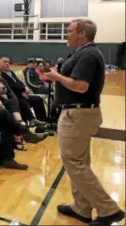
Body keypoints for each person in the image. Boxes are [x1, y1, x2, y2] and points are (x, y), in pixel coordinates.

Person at [44, 19, 125, 225]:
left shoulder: (88, 54)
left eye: (70, 31)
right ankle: (82, 208)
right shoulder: (85, 52)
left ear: (82, 33)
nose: (66, 34)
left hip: (77, 116)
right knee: (79, 162)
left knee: (75, 164)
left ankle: (109, 210)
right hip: (78, 115)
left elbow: (80, 86)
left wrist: (56, 77)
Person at [0, 57, 48, 123]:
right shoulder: (0, 75)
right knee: (22, 103)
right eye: (5, 62)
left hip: (22, 94)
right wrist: (23, 89)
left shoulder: (11, 72)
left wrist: (24, 89)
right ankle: (30, 121)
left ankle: (42, 122)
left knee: (38, 99)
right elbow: (10, 87)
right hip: (13, 97)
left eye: (8, 62)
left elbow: (19, 82)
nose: (7, 63)